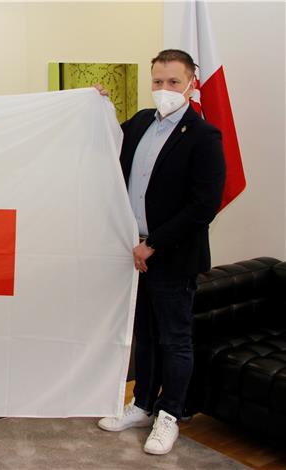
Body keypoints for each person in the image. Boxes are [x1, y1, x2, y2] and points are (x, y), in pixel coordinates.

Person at [95, 49, 226, 455]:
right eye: (157, 81)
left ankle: (170, 414)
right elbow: (102, 142)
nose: (164, 89)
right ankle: (144, 403)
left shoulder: (204, 136)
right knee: (145, 336)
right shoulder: (138, 124)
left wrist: (153, 244)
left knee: (174, 339)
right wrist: (95, 106)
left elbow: (203, 205)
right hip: (134, 252)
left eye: (173, 82)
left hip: (169, 254)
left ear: (191, 84)